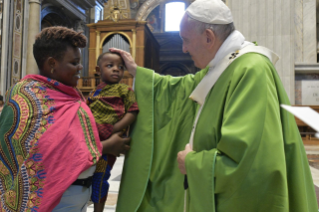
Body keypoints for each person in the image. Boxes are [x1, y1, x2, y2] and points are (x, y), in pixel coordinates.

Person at [111, 0, 318, 211]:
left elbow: (252, 162)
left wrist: (193, 163)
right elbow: (181, 88)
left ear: (209, 37)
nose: (183, 49)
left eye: (186, 40)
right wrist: (138, 73)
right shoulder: (223, 66)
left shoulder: (251, 70)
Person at [0, 26, 130, 212]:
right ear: (52, 63)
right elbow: (49, 149)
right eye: (74, 62)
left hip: (81, 197)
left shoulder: (72, 95)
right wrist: (107, 146)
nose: (80, 67)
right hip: (54, 200)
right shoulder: (25, 95)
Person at [87, 52, 138, 212]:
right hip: (92, 141)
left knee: (101, 177)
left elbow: (133, 111)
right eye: (110, 66)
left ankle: (98, 209)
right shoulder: (94, 92)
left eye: (120, 67)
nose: (116, 70)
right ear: (98, 69)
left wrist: (114, 129)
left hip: (110, 142)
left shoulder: (125, 89)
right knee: (88, 177)